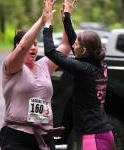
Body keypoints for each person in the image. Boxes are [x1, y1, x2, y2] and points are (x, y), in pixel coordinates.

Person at [43, 0, 115, 149]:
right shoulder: (100, 65)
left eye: (77, 44)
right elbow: (73, 39)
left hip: (93, 135)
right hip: (105, 133)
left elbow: (50, 51)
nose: (73, 45)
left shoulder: (83, 69)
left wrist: (47, 22)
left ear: (84, 51)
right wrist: (66, 15)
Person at [0, 0, 71, 150]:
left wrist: (66, 16)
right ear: (16, 47)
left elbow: (65, 46)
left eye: (36, 44)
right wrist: (43, 19)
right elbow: (24, 45)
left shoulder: (44, 65)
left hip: (44, 136)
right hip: (16, 136)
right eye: (30, 44)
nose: (33, 48)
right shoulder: (12, 66)